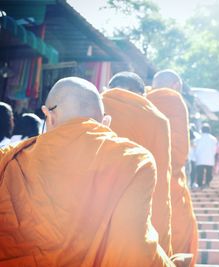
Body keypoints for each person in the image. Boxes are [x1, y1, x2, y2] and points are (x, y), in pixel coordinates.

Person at [0, 77, 173, 266]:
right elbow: (132, 248)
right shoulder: (134, 160)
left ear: (48, 115)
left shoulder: (8, 159)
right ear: (105, 121)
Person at [101, 71, 173, 255]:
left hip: (98, 205)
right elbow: (162, 176)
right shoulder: (159, 120)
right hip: (141, 208)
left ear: (109, 89)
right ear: (142, 95)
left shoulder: (95, 107)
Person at [147, 69, 198, 266]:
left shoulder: (143, 100)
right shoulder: (174, 99)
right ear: (176, 86)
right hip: (168, 177)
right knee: (180, 228)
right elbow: (179, 152)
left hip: (141, 176)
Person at [194, 123, 217, 188]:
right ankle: (207, 183)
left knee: (200, 173)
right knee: (209, 173)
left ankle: (200, 184)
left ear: (202, 130)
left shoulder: (198, 138)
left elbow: (195, 148)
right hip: (209, 158)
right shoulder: (213, 139)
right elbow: (214, 149)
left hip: (200, 158)